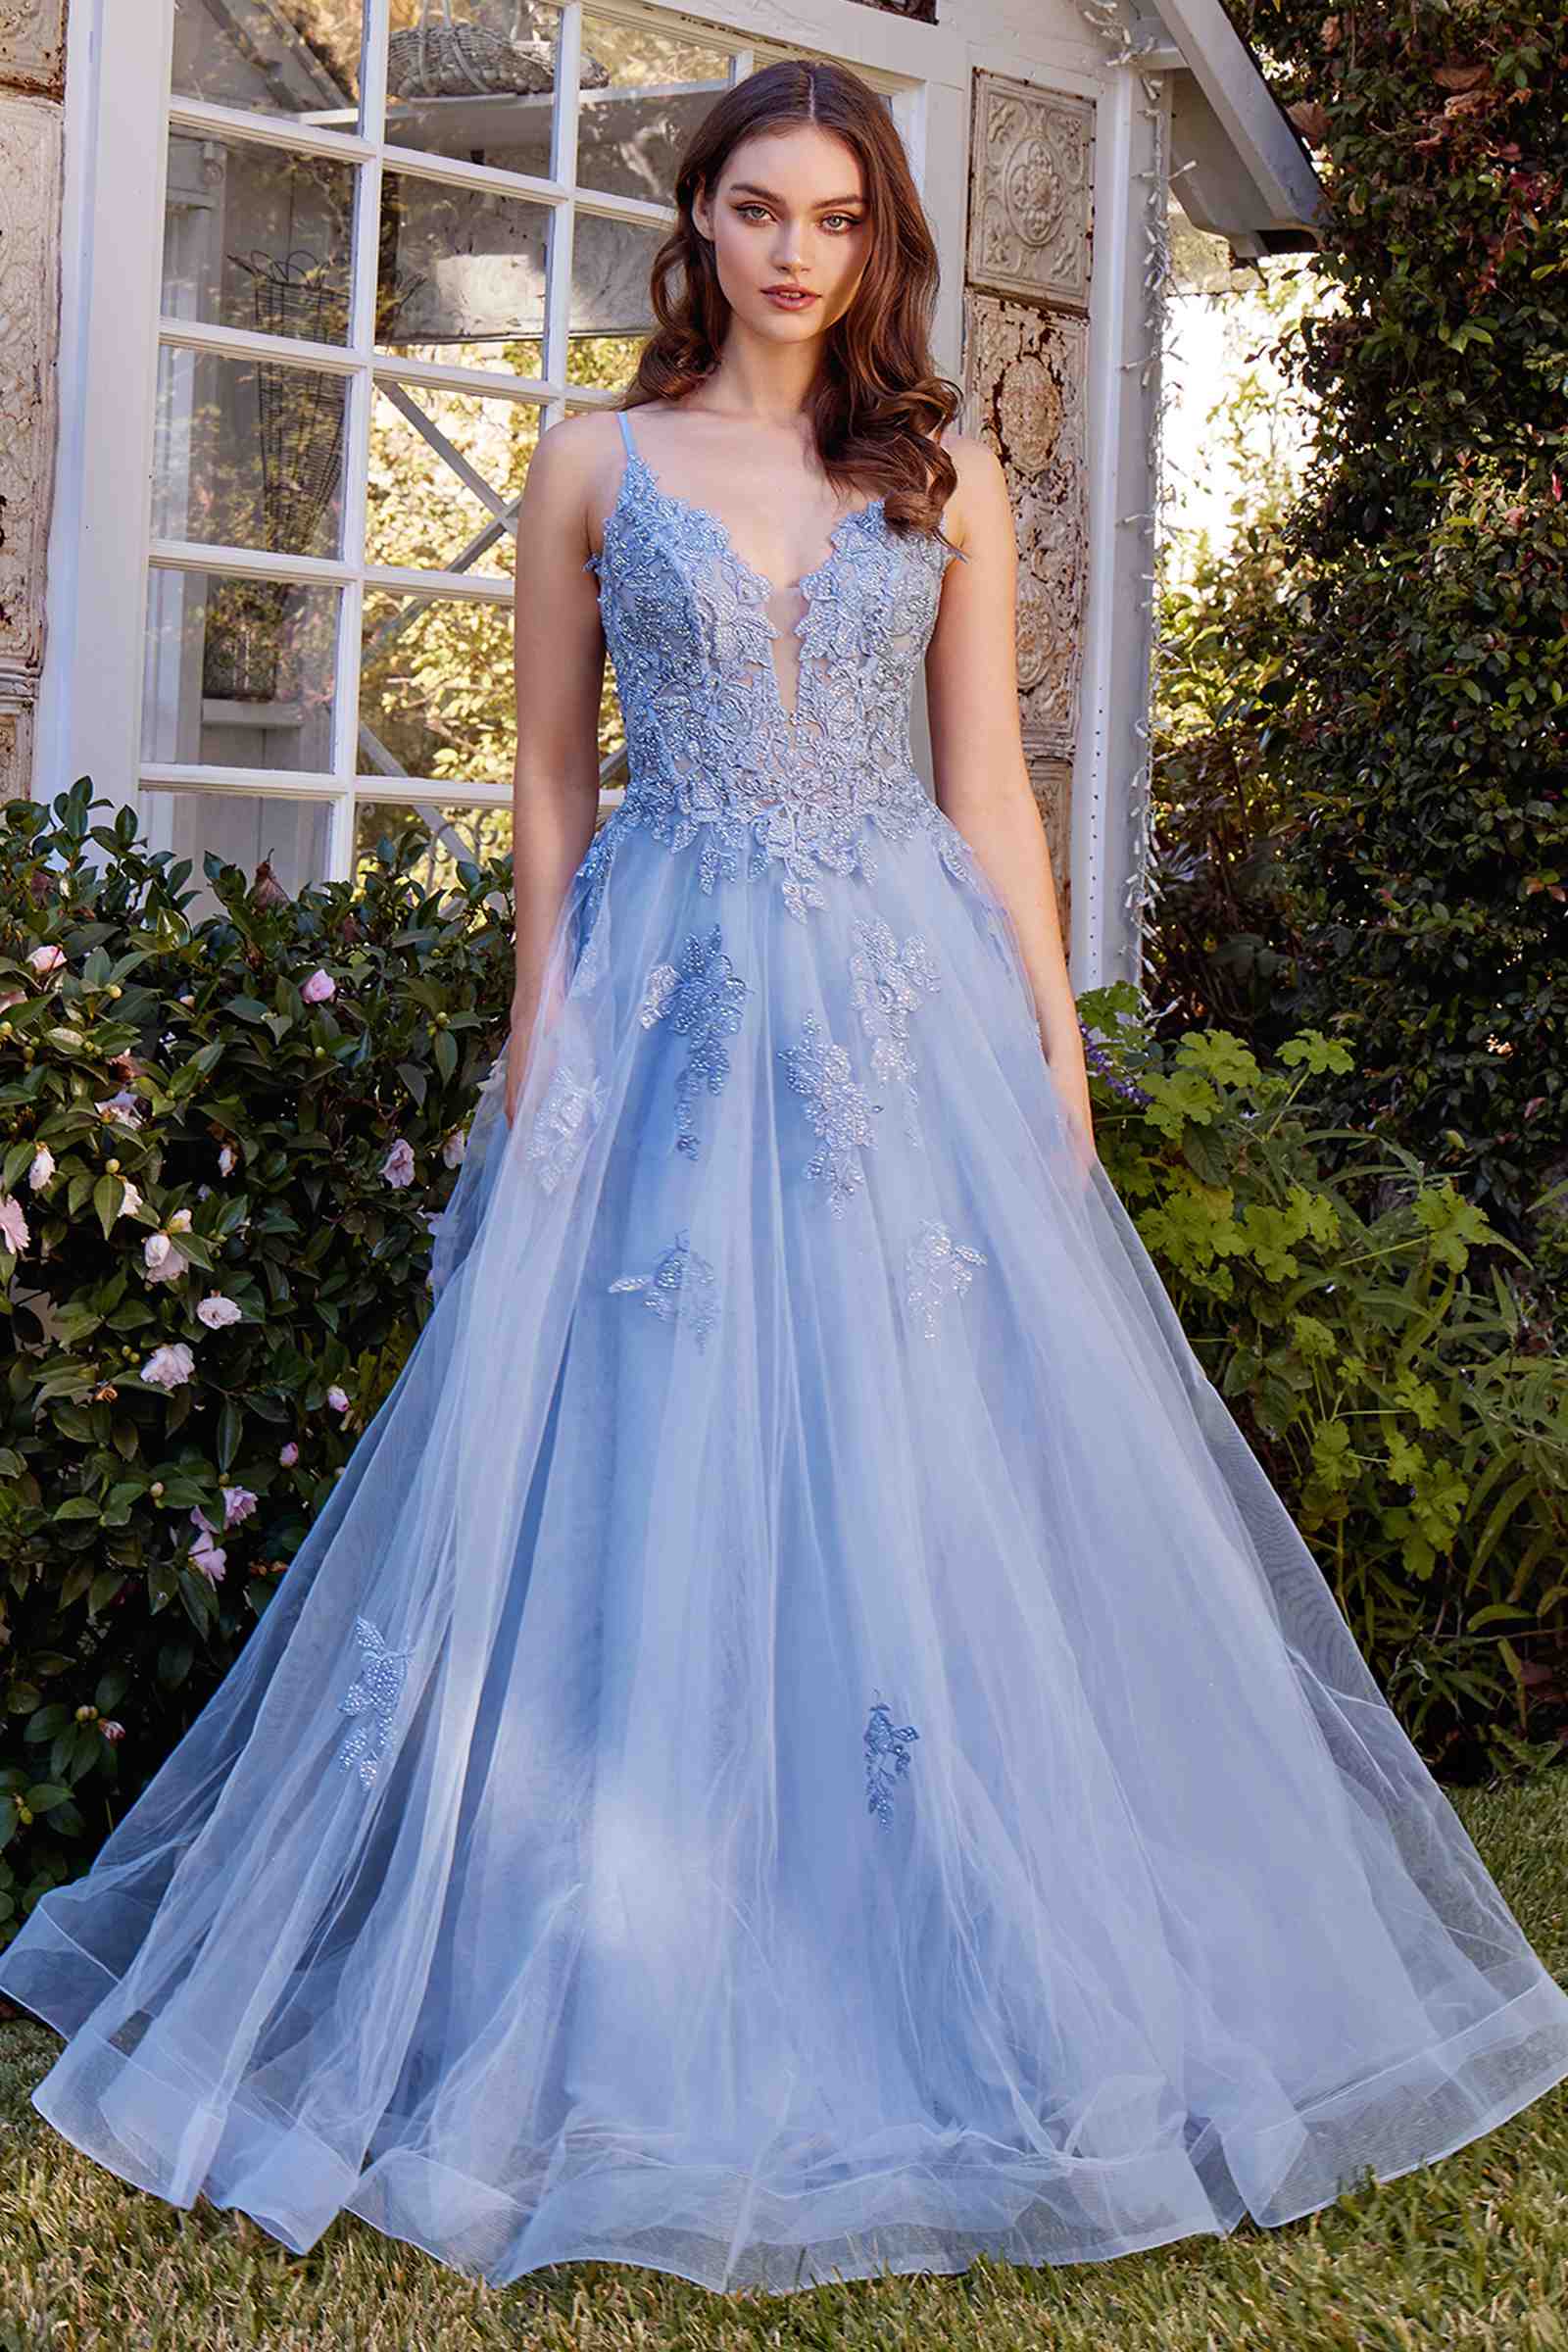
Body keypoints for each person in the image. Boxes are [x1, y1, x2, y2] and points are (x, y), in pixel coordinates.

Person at [3, 57, 1566, 2303]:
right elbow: (552, 781)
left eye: (834, 217)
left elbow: (989, 786)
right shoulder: (595, 461)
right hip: (663, 997)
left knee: (914, 1454)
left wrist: (1050, 1038)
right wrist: (538, 1012)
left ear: (875, 240)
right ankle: (607, 1937)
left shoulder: (940, 472)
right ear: (699, 223)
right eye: (757, 208)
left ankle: (931, 1923)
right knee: (644, 1451)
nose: (793, 252)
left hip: (892, 1012)